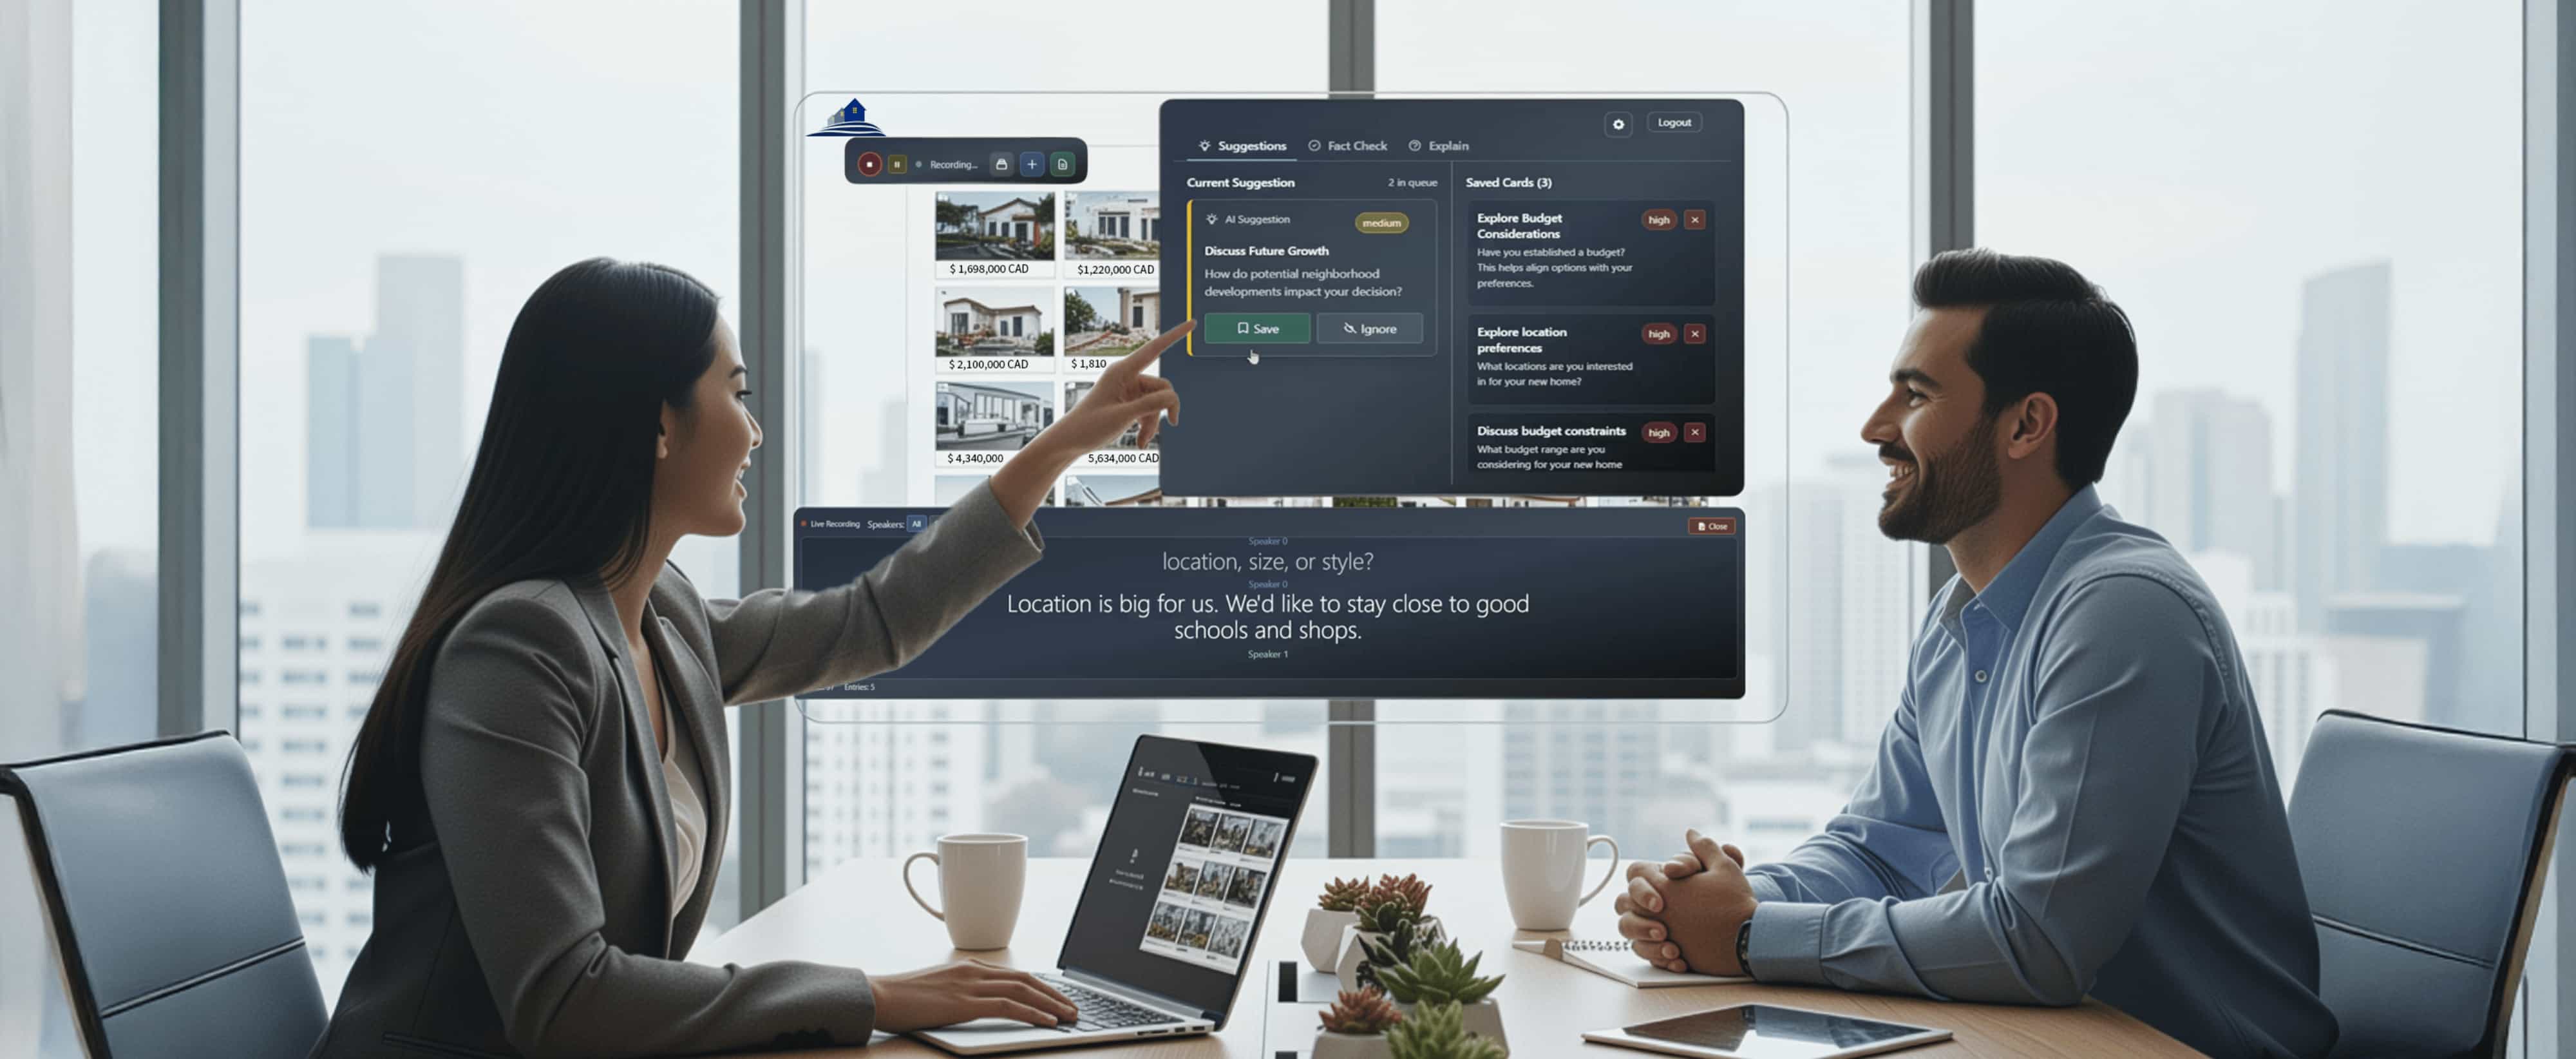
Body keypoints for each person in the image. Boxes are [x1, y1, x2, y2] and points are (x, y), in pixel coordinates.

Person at [314, 258, 1193, 1058]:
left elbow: (868, 623)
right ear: (661, 424)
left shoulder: (663, 616)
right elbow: (563, 999)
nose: (756, 430)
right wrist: (880, 997)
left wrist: (1059, 448)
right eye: (736, 393)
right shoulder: (520, 647)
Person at [1615, 249, 2338, 1058]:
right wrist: (1724, 903)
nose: (1875, 426)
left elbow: (2039, 941)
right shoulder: (1961, 616)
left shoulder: (2124, 612)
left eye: (1916, 395)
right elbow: (1880, 847)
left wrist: (1751, 936)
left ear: (2026, 425)